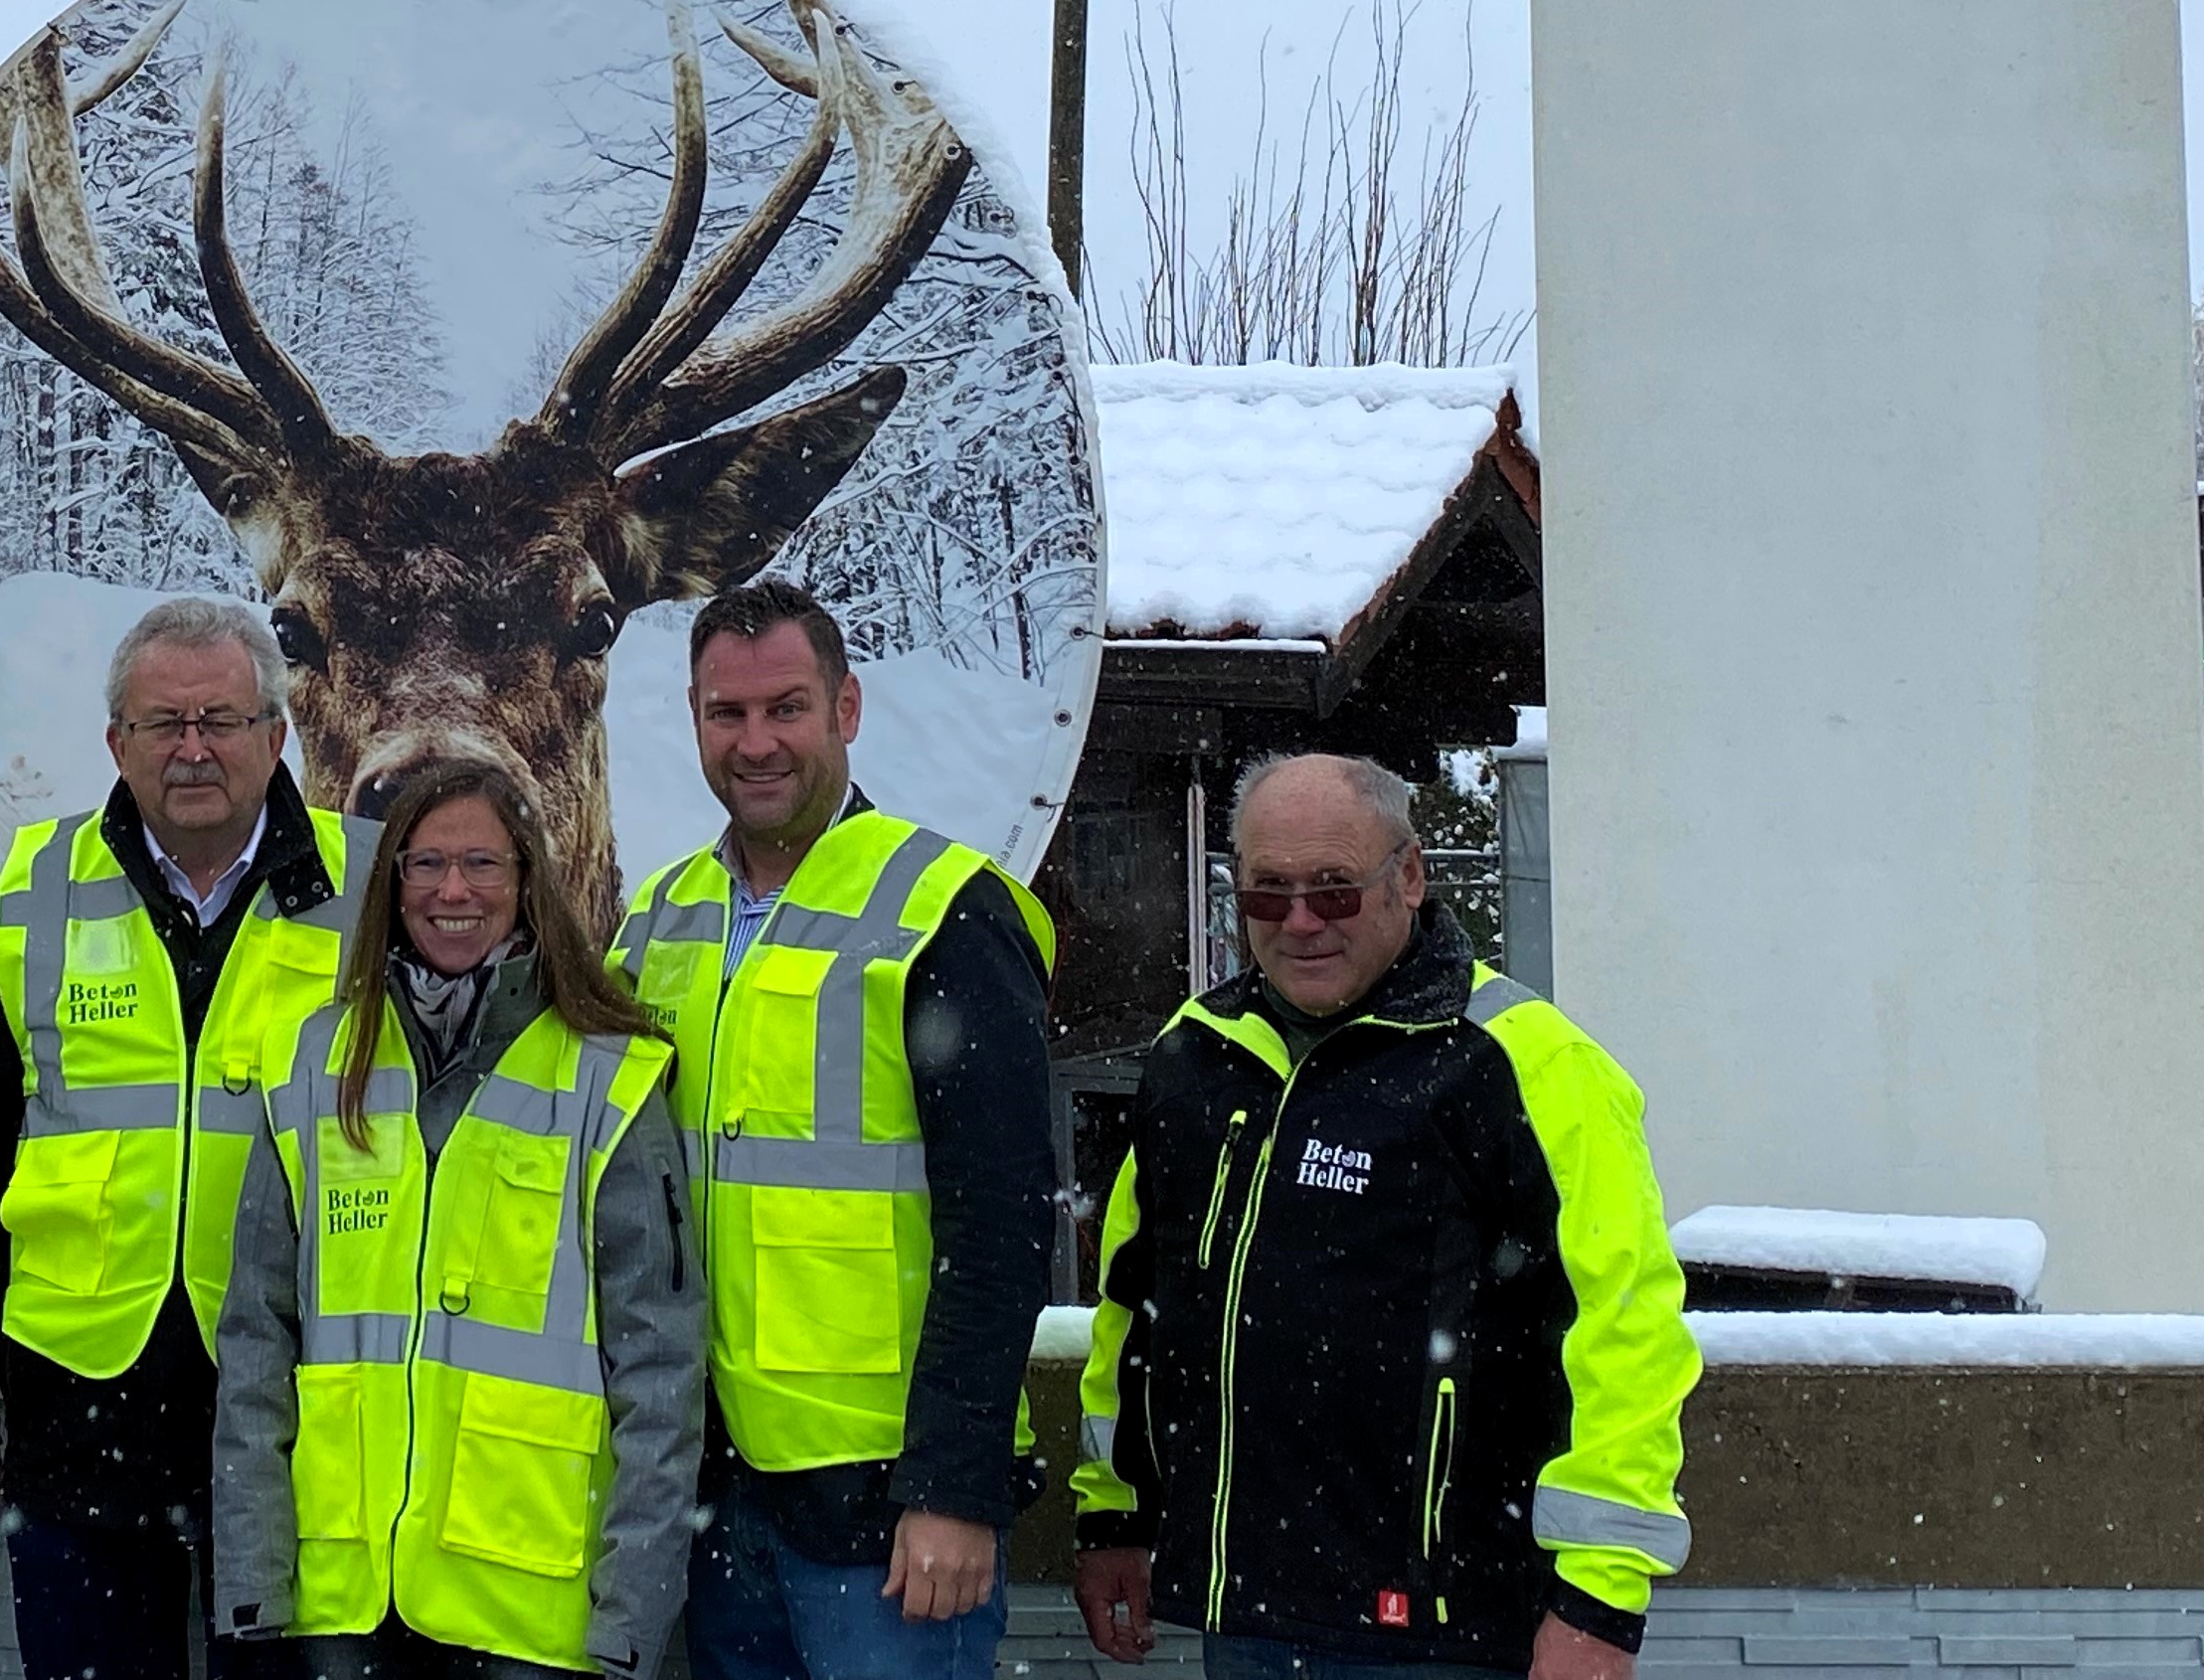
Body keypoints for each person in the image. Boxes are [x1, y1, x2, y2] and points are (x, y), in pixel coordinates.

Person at [1071, 753, 1697, 1680]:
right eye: (1266, 895)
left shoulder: (1527, 1064)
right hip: (1246, 1618)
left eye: (1334, 891)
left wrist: (1599, 1603)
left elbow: (1623, 1334)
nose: (1300, 923)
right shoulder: (1194, 1058)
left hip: (1458, 1628)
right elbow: (1136, 1308)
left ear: (1409, 875)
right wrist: (1114, 1510)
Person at [612, 580, 1062, 1680]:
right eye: (728, 713)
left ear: (847, 710)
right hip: (717, 1486)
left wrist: (955, 1488)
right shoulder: (659, 920)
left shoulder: (944, 909)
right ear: (694, 719)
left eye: (787, 708)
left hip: (886, 1504)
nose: (757, 742)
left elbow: (1003, 1224)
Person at [0, 594, 367, 1680]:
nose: (195, 748)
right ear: (117, 742)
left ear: (278, 735)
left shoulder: (372, 889)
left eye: (222, 718)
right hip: (79, 1407)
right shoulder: (39, 888)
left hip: (298, 1406)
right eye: (165, 724)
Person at [212, 756, 702, 1680]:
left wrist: (631, 1618)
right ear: (390, 884)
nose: (453, 891)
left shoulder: (612, 1076)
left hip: (529, 1619)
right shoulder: (314, 1063)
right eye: (425, 864)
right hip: (341, 1609)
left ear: (528, 881)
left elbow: (660, 1375)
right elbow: (255, 1353)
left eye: (483, 864)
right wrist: (252, 1588)